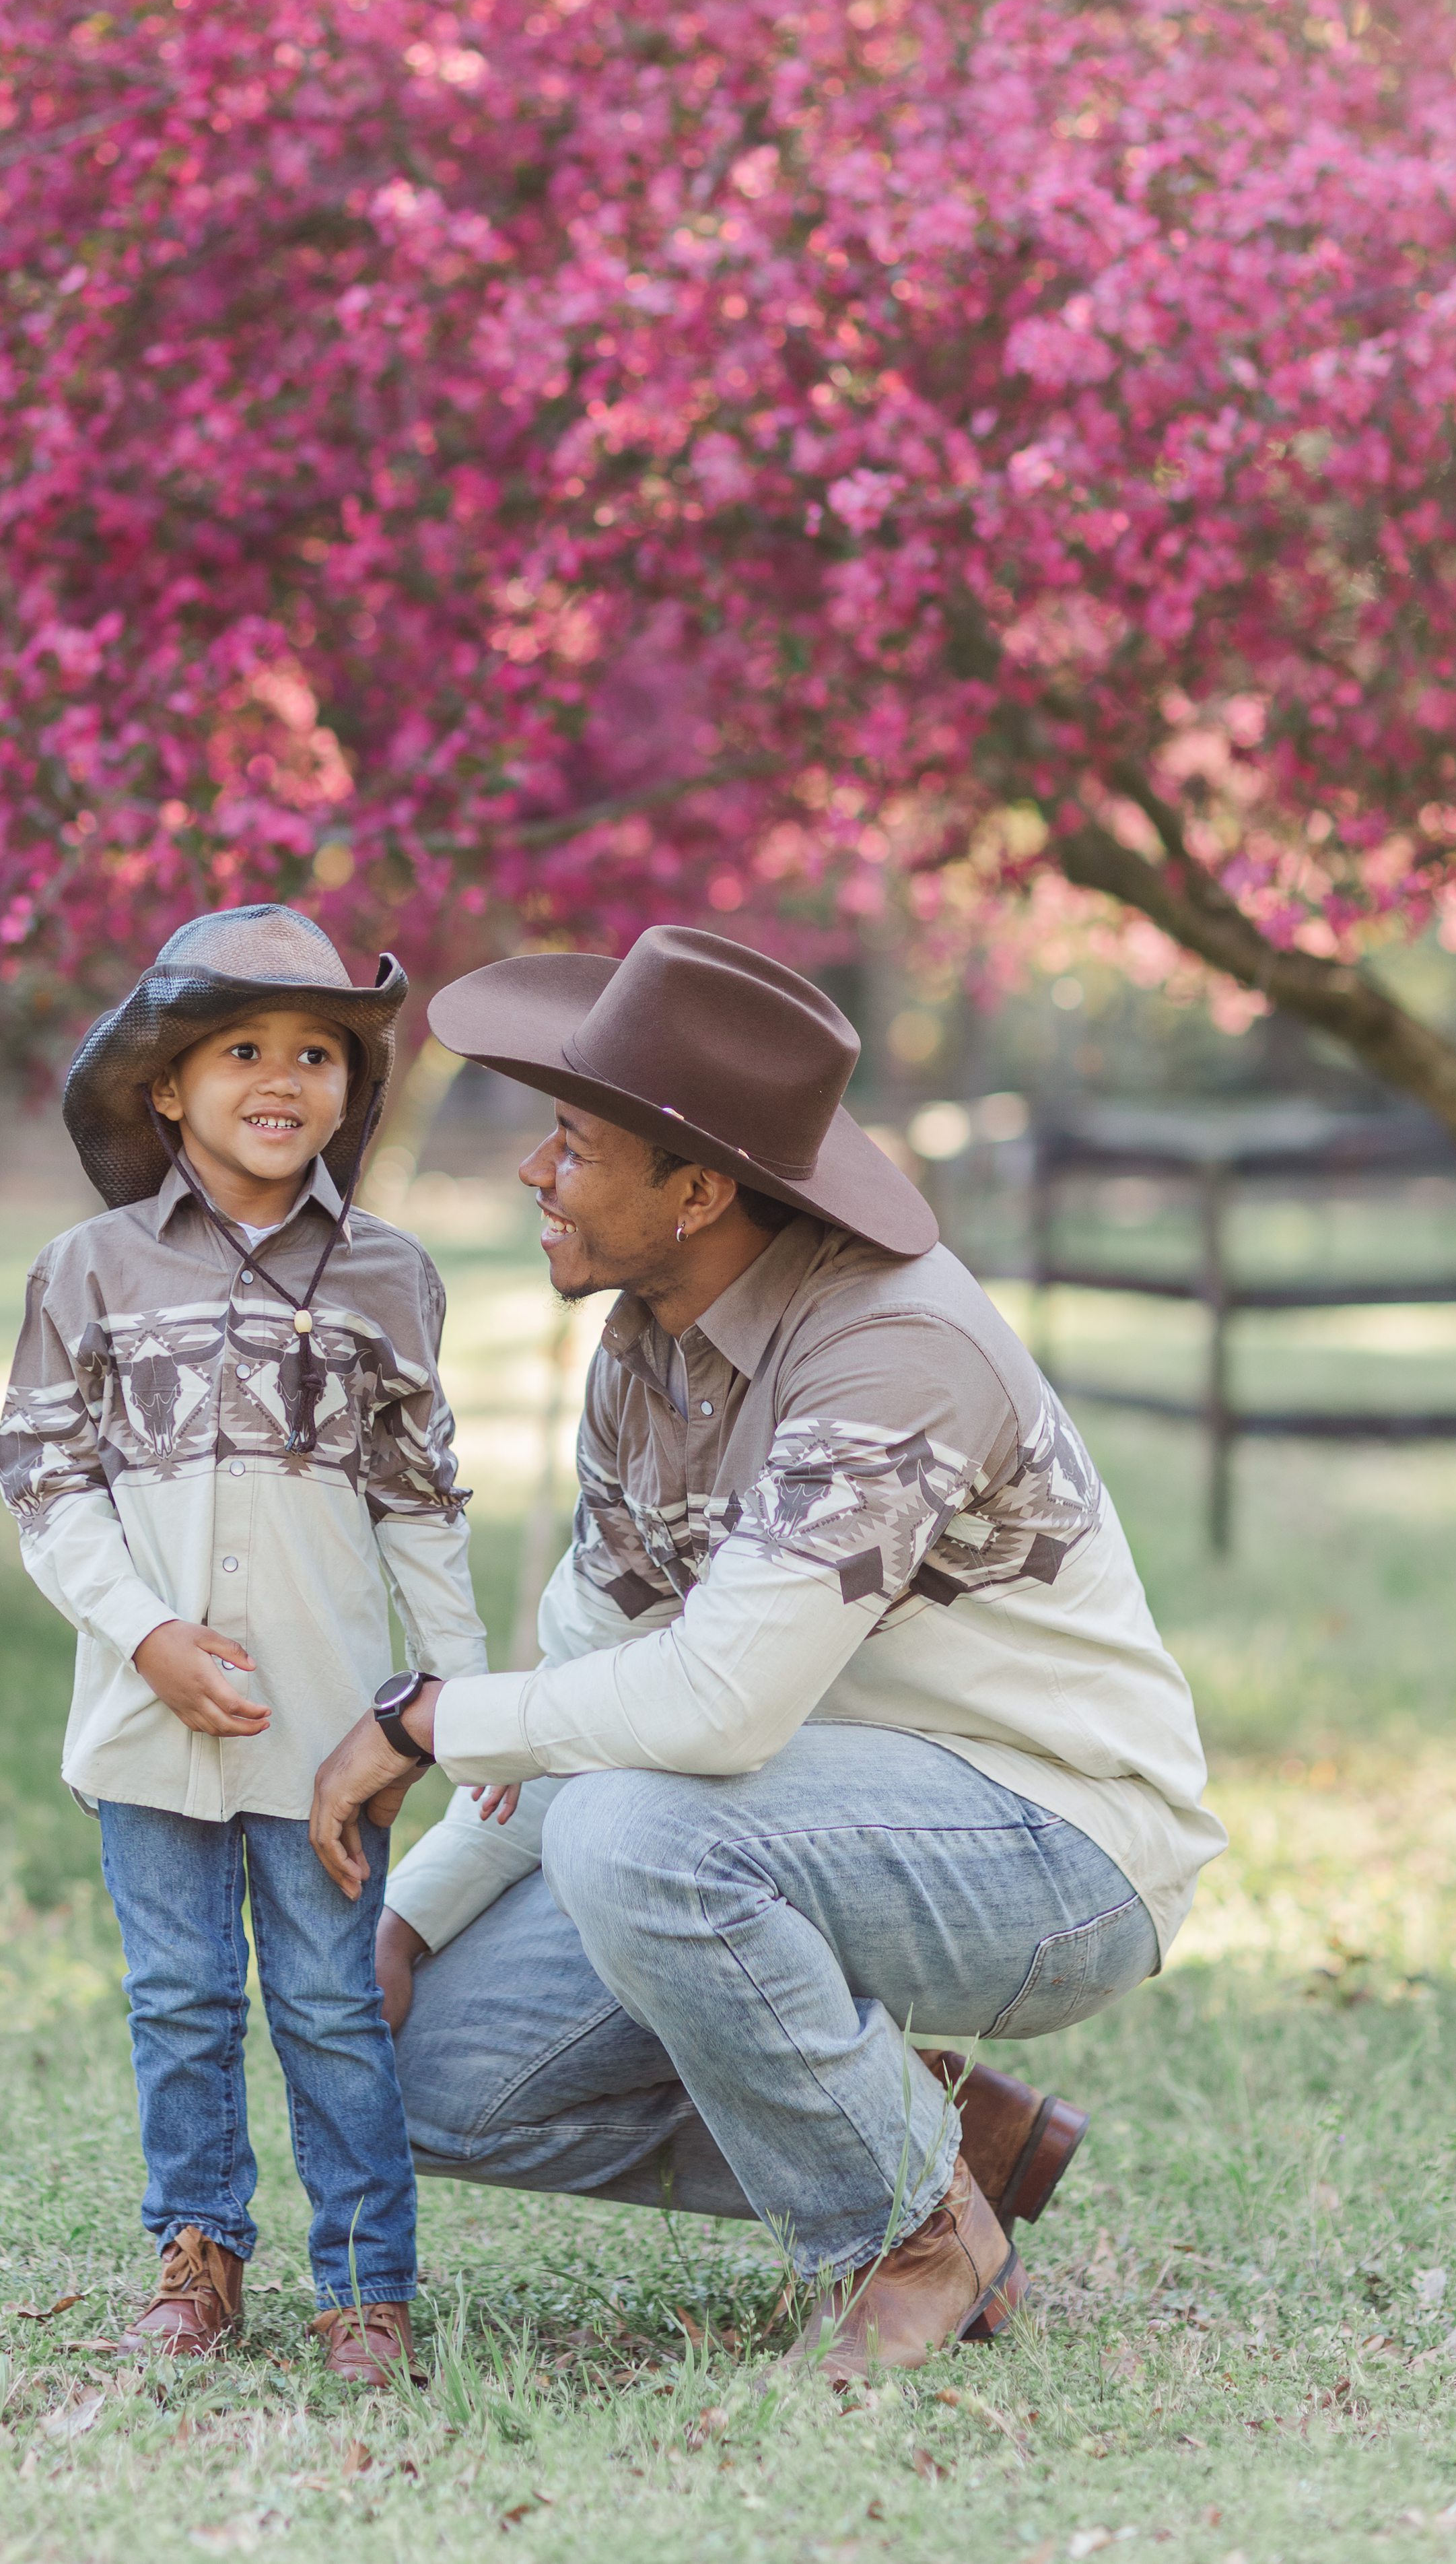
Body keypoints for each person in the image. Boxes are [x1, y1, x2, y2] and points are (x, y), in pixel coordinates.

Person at [308, 926, 1226, 2384]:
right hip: (804, 1822)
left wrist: (425, 1722)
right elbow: (592, 1674)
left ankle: (917, 2234)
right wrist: (406, 1928)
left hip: (1059, 1848)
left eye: (573, 1143)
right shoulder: (648, 1346)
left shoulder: (892, 1352)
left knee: (638, 1830)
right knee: (412, 2079)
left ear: (697, 1188)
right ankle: (935, 2129)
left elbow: (713, 1709)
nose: (535, 1175)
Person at [0, 904, 488, 2387]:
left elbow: (421, 1505)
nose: (283, 1079)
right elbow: (48, 1484)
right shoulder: (86, 1272)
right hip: (146, 1727)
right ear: (166, 1083)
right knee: (183, 2001)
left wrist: (453, 1703)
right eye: (241, 1049)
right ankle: (197, 2252)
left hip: (327, 1730)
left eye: (319, 1054)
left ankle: (365, 2288)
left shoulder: (391, 1278)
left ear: (352, 1085)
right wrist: (143, 1635)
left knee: (336, 2004)